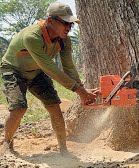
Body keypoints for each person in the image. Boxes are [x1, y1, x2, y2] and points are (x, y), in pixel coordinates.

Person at [0, 2, 97, 155]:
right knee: (19, 108)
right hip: (13, 70)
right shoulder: (32, 37)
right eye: (65, 23)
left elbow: (69, 67)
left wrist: (82, 88)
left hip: (36, 71)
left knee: (54, 106)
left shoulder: (64, 40)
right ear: (50, 21)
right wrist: (79, 91)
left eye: (70, 24)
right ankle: (7, 143)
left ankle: (64, 149)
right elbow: (50, 68)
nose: (68, 27)